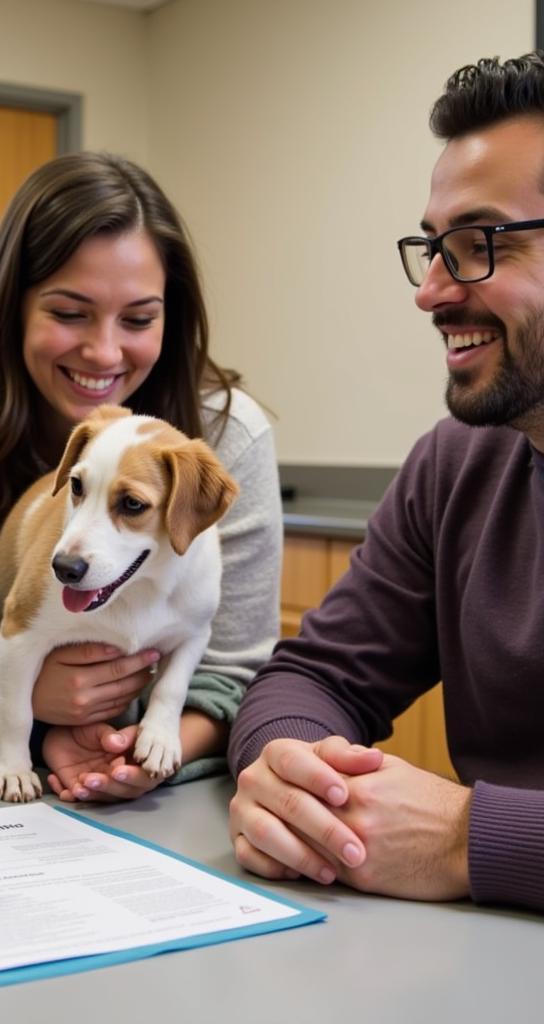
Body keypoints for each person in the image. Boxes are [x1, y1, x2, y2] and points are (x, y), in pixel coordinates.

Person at [227, 52, 544, 915]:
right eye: (432, 248)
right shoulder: (455, 465)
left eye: (479, 245)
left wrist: (469, 839)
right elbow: (317, 678)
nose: (432, 293)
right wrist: (293, 777)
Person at [0, 152, 282, 802]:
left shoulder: (227, 439)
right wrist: (30, 721)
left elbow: (235, 670)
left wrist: (141, 759)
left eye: (138, 319)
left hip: (156, 795)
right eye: (69, 313)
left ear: (171, 314)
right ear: (13, 305)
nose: (104, 353)